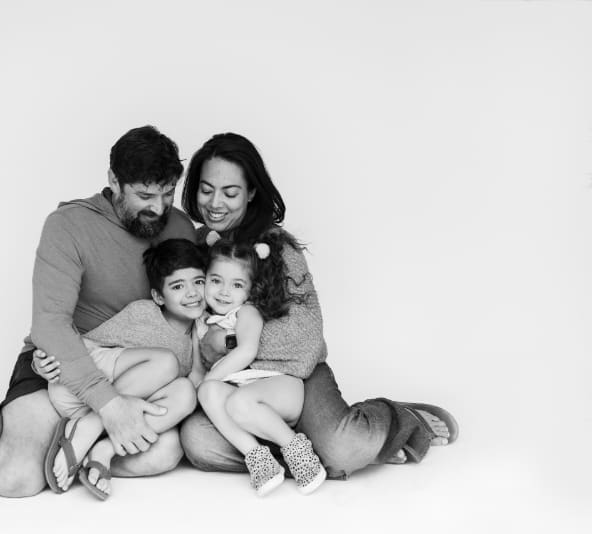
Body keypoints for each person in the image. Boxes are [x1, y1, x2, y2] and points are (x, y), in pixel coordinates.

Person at [0, 126, 198, 497]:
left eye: (168, 193)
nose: (159, 207)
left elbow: (204, 296)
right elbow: (51, 325)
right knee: (15, 480)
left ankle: (34, 445)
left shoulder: (180, 228)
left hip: (141, 373)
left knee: (164, 453)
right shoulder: (68, 225)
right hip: (61, 367)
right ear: (114, 181)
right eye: (145, 195)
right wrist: (110, 406)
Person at [179, 132, 458, 481]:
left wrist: (229, 342)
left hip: (297, 379)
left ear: (251, 193)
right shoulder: (197, 247)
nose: (215, 203)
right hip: (232, 388)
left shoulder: (279, 250)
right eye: (206, 190)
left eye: (230, 193)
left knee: (344, 448)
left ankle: (397, 421)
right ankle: (305, 454)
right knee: (198, 443)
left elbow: (306, 343)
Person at [32, 238, 207, 500]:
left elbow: (195, 381)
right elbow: (83, 344)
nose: (192, 293)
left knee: (172, 443)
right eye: (178, 286)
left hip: (126, 410)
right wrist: (41, 363)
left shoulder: (202, 331)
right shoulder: (144, 313)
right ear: (158, 296)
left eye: (199, 282)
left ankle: (100, 451)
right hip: (83, 391)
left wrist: (201, 337)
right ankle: (89, 426)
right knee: (166, 362)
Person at [194, 236, 326, 496]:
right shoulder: (203, 320)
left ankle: (299, 454)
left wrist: (210, 378)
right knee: (207, 393)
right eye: (216, 280)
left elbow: (246, 350)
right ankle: (259, 458)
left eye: (237, 285)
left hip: (280, 387)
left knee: (232, 398)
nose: (224, 291)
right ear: (205, 278)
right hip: (245, 397)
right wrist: (202, 387)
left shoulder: (246, 312)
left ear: (251, 289)